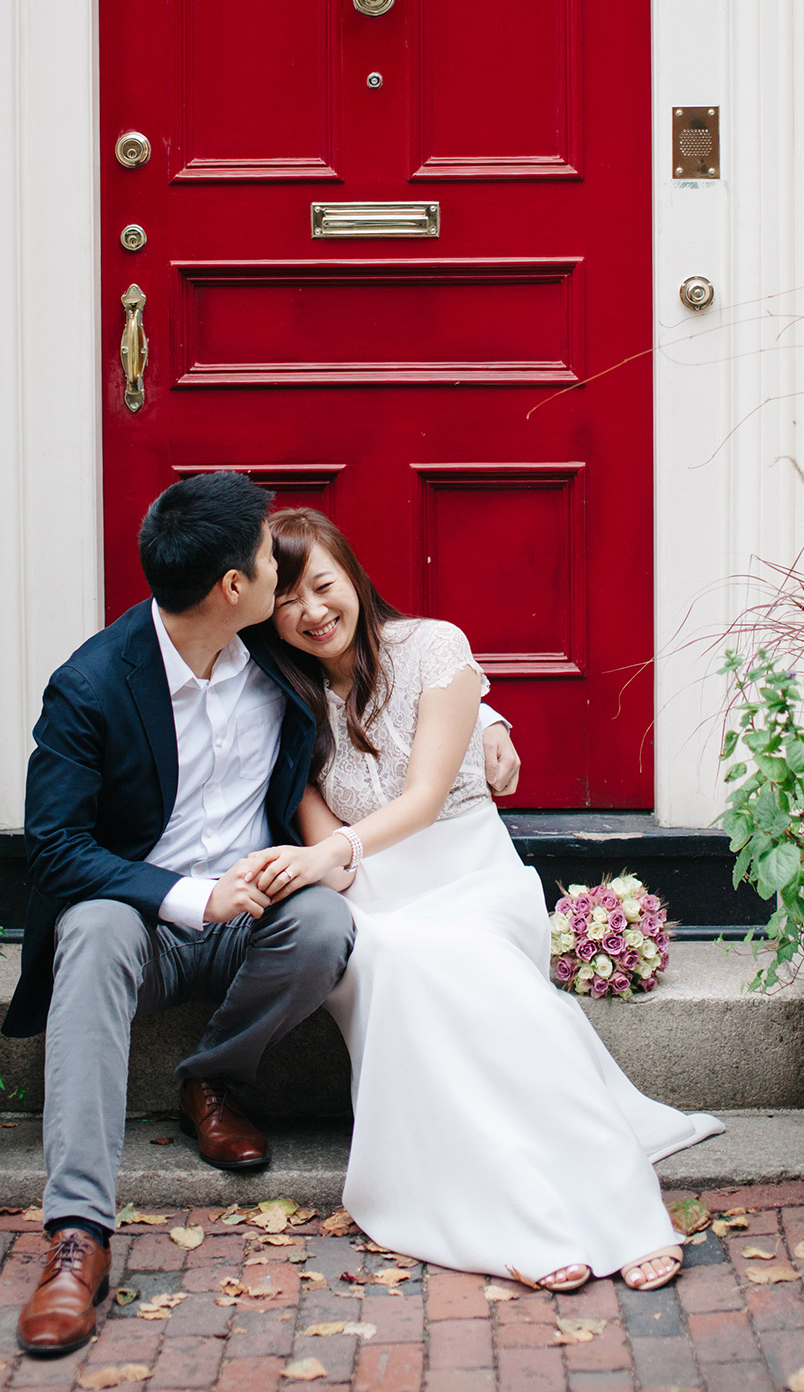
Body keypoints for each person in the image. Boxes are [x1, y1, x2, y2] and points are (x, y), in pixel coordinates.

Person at [1, 470, 525, 1355]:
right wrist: (190, 895)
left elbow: (392, 671)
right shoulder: (91, 685)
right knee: (89, 926)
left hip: (264, 923)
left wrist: (489, 722)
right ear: (233, 590)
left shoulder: (275, 663)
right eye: (264, 562)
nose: (287, 581)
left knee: (327, 923)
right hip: (149, 928)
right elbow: (51, 849)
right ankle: (77, 1234)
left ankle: (214, 1076)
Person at [257, 508, 725, 1292]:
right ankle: (503, 1213)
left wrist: (484, 721)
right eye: (287, 601)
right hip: (383, 901)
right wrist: (302, 867)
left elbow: (424, 794)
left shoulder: (433, 648)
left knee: (470, 960)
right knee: (391, 956)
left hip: (471, 877)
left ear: (353, 577)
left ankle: (621, 1205)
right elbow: (331, 858)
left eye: (324, 586)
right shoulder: (284, 699)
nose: (311, 612)